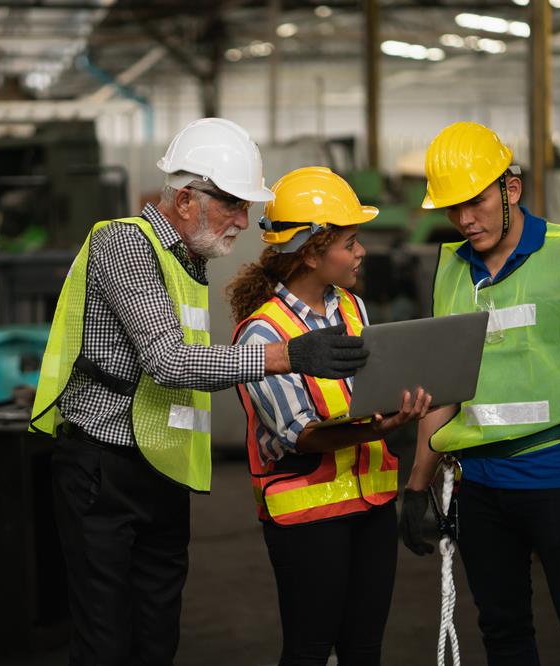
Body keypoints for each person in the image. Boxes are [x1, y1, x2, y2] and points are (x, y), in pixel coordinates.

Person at [29, 120, 370, 666]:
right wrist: (290, 354)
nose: (243, 221)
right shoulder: (124, 245)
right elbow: (167, 360)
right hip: (103, 471)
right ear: (186, 199)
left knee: (157, 640)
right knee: (106, 642)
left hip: (160, 469)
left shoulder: (188, 259)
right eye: (233, 205)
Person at [398, 122, 560, 666]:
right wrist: (417, 484)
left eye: (477, 202)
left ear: (511, 190)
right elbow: (444, 388)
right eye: (453, 209)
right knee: (504, 633)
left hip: (558, 479)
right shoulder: (452, 271)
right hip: (480, 489)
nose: (466, 220)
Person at [228, 166, 433, 666]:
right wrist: (374, 428)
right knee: (309, 651)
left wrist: (395, 405)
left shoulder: (354, 310)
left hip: (371, 508)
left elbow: (366, 392)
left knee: (364, 651)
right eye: (351, 241)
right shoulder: (263, 335)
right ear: (313, 251)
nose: (361, 252)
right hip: (307, 520)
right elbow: (298, 435)